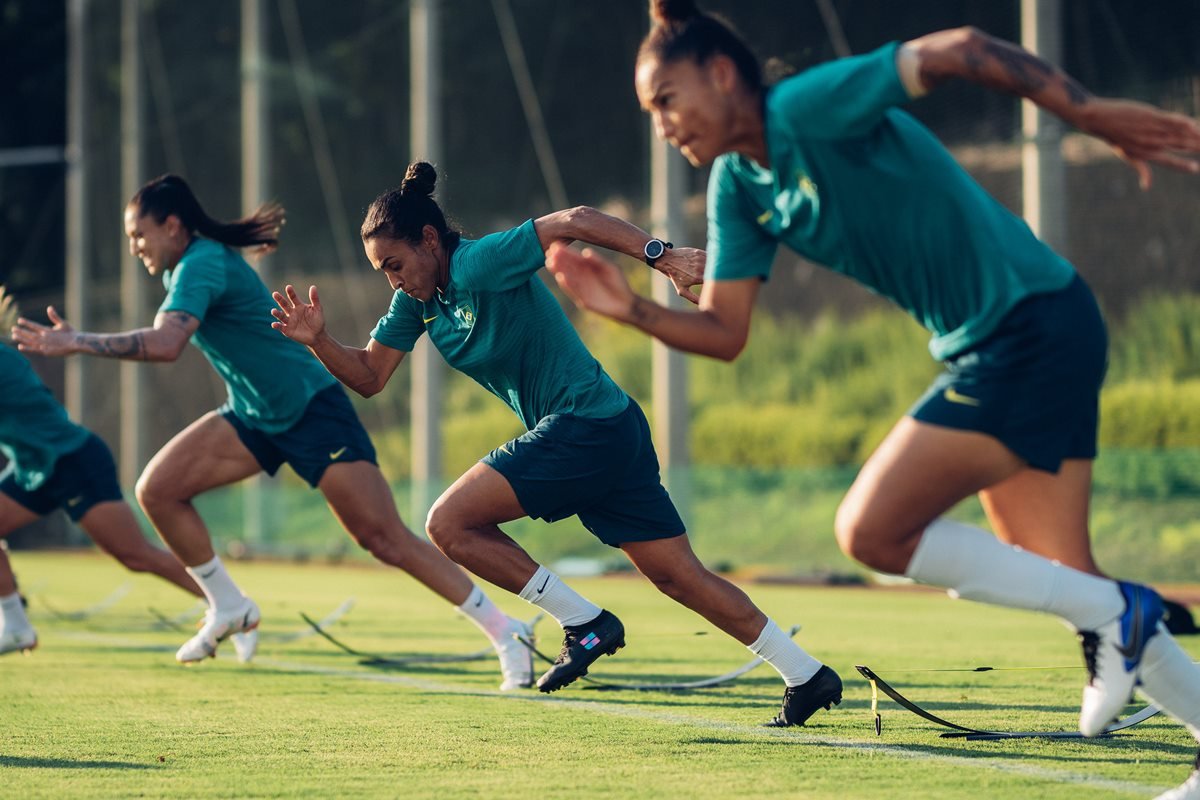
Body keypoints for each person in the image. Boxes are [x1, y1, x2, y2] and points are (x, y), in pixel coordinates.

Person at [545, 1, 1200, 789]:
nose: (663, 126)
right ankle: (1134, 636)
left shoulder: (807, 108)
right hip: (1004, 341)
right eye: (651, 112)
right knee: (1066, 575)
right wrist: (628, 309)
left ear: (721, 75)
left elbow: (959, 47)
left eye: (667, 100)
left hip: (1030, 326)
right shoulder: (738, 188)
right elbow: (726, 331)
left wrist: (1092, 114)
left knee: (873, 531)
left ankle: (1120, 611)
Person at [269, 160, 843, 726]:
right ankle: (807, 674)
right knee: (676, 576)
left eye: (394, 264)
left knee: (448, 523)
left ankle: (584, 622)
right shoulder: (417, 304)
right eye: (381, 271)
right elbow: (370, 377)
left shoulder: (478, 262)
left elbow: (574, 219)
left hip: (586, 423)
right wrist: (318, 340)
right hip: (605, 428)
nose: (391, 279)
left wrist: (662, 257)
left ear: (428, 239)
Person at [12, 175, 533, 689]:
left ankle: (506, 630)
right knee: (159, 490)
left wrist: (78, 341)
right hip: (254, 415)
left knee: (384, 538)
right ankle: (230, 606)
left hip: (310, 408)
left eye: (139, 235)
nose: (135, 248)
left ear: (173, 226)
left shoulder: (202, 262)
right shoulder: (185, 271)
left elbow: (168, 343)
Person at [0, 290, 204, 655]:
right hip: (33, 468)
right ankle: (15, 625)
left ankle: (227, 602)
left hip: (75, 462)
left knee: (136, 555)